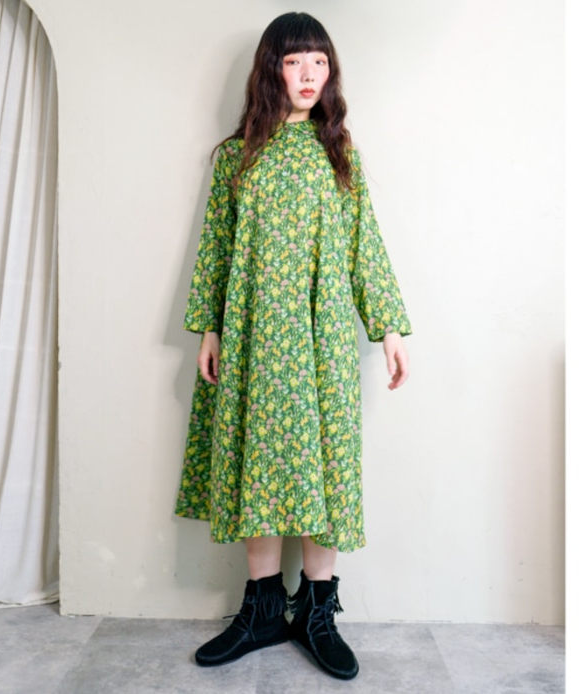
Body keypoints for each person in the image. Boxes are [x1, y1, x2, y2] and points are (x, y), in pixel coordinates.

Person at [175, 11, 412, 680]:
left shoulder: (340, 152)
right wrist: (210, 327)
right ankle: (260, 612)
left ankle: (316, 613)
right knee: (257, 456)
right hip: (253, 332)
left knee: (323, 461)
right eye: (293, 61)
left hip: (322, 335)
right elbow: (217, 244)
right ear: (271, 70)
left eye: (319, 61)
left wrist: (389, 328)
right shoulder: (236, 157)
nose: (309, 74)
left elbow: (364, 243)